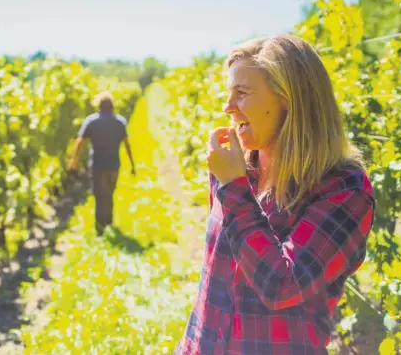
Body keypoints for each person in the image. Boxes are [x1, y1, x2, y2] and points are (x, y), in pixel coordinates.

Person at [174, 35, 375, 355]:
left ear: (288, 99)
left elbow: (281, 285)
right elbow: (216, 283)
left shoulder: (343, 190)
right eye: (229, 93)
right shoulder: (236, 171)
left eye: (242, 93)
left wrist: (233, 187)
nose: (228, 106)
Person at [69, 91, 136, 236]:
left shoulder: (91, 121)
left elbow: (80, 142)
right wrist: (132, 164)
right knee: (109, 194)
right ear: (112, 106)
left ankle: (100, 228)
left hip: (97, 165)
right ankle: (108, 223)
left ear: (98, 105)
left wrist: (74, 160)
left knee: (99, 195)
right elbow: (127, 144)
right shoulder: (120, 122)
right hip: (113, 165)